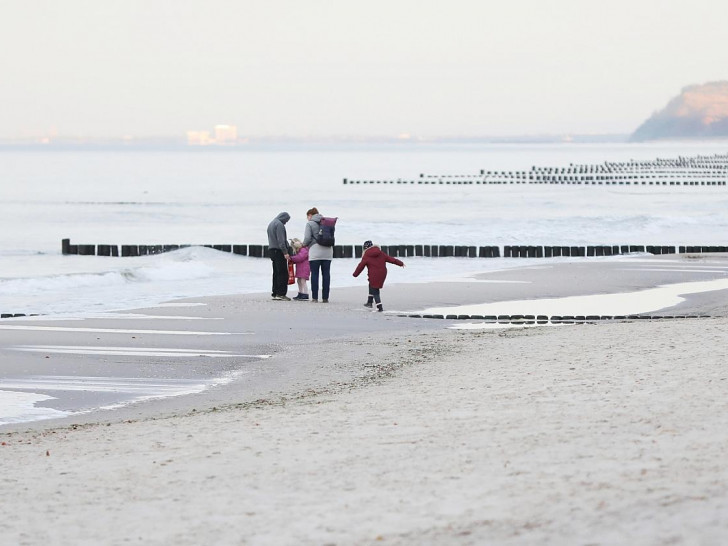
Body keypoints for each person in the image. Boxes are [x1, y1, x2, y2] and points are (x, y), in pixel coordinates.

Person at [352, 240, 405, 312]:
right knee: (371, 284)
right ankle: (369, 302)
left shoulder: (366, 255)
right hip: (383, 273)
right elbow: (391, 259)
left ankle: (379, 307)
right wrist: (400, 263)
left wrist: (355, 274)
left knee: (375, 290)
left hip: (374, 274)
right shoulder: (380, 253)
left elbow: (360, 266)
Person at [302, 207, 333, 303]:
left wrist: (303, 245)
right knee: (326, 274)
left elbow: (307, 238)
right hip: (328, 250)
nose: (307, 218)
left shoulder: (310, 223)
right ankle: (325, 298)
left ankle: (315, 297)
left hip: (315, 250)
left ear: (310, 215)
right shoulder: (326, 222)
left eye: (307, 216)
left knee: (315, 274)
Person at [267, 212, 291, 301]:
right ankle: (281, 294)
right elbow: (281, 241)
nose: (286, 222)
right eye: (286, 220)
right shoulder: (279, 225)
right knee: (283, 273)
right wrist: (285, 252)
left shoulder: (271, 223)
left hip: (271, 250)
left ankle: (275, 292)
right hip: (279, 251)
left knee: (276, 272)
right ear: (284, 218)